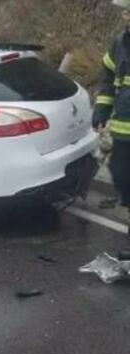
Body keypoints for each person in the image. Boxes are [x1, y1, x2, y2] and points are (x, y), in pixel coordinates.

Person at [93, 0, 130, 259]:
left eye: (129, 10)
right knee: (120, 175)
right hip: (123, 130)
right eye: (126, 12)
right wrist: (102, 110)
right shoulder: (121, 42)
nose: (125, 16)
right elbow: (108, 74)